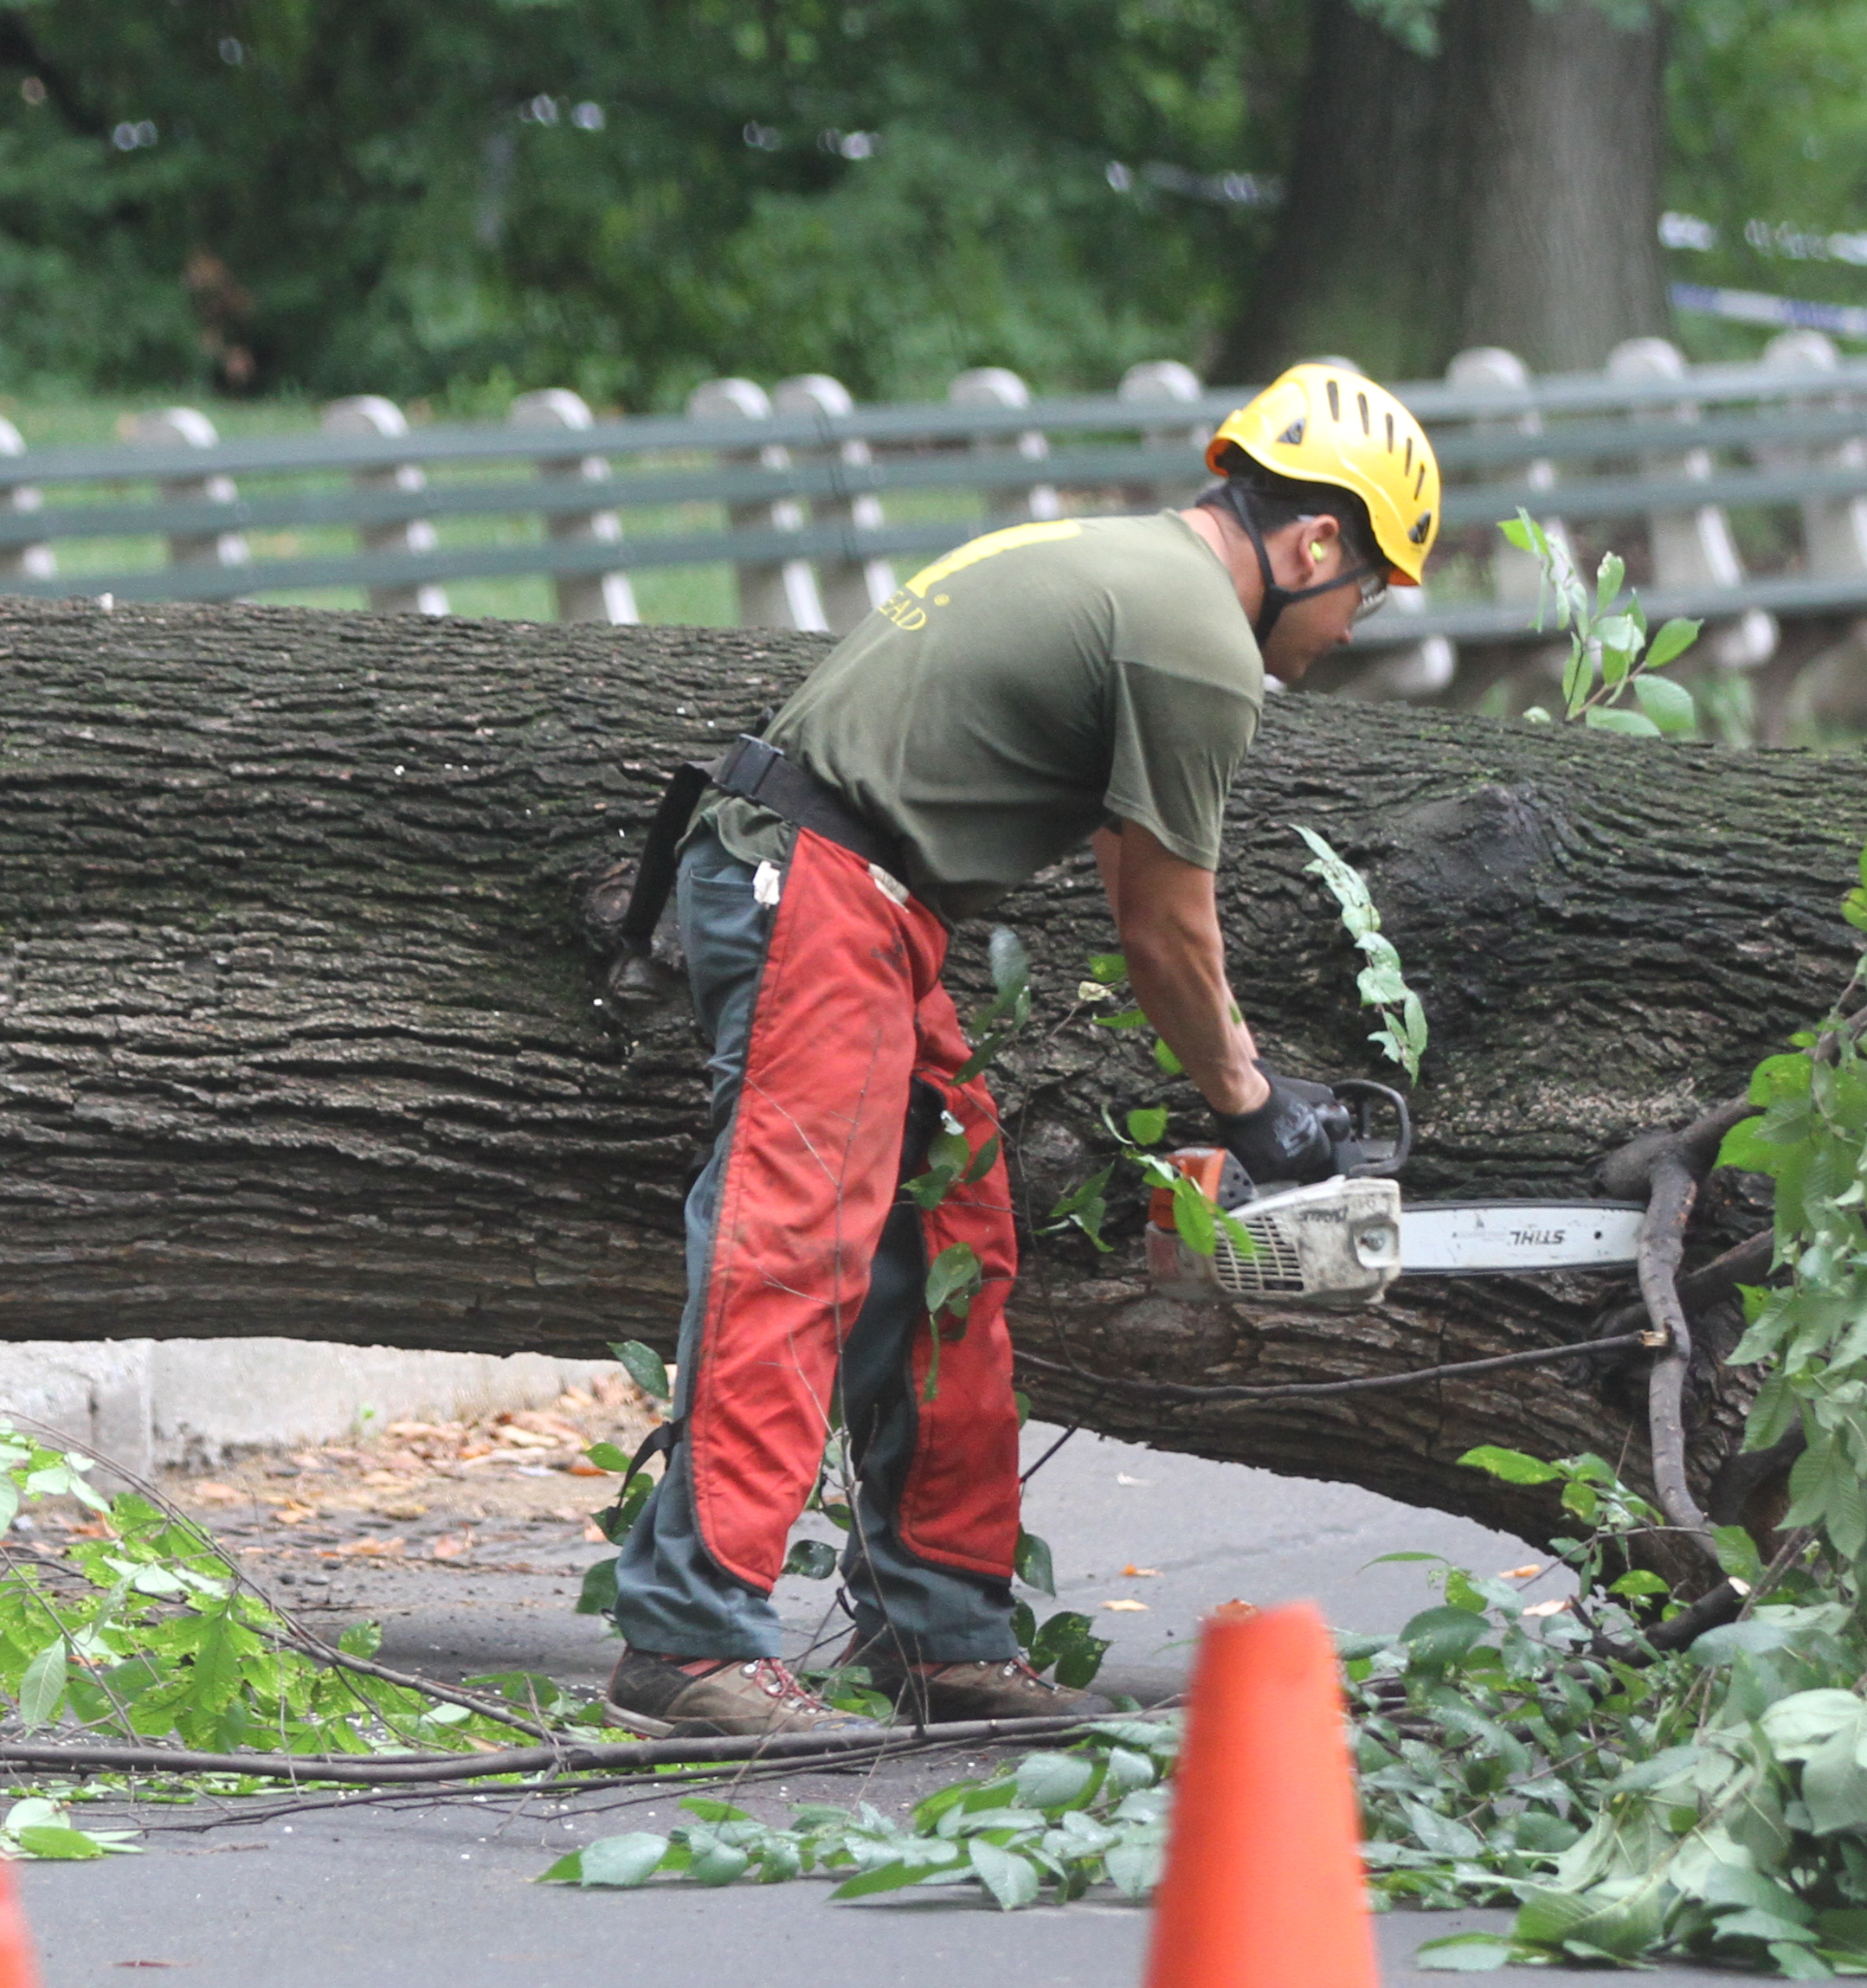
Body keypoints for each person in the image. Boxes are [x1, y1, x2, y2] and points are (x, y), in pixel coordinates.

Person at [602, 361, 1444, 1736]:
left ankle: (941, 1634)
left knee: (953, 1239)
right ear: (1316, 544)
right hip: (820, 886)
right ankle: (689, 1640)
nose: (1358, 624)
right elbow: (1164, 932)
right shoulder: (1195, 641)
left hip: (865, 902)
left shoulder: (1132, 570)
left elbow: (1137, 876)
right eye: (1373, 589)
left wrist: (1246, 1092)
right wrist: (1259, 1112)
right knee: (793, 1245)